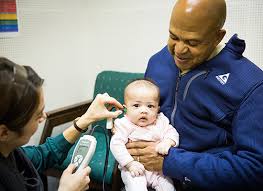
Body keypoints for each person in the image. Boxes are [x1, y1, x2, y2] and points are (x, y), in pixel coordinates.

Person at [126, 0, 263, 190]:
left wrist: (171, 163)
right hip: (151, 178)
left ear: (218, 36)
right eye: (174, 37)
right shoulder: (158, 62)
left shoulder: (251, 84)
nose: (179, 50)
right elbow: (145, 112)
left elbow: (254, 169)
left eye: (192, 42)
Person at [0, 57, 123, 191]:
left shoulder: (11, 153)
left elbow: (44, 154)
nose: (44, 117)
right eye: (37, 115)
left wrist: (85, 120)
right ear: (4, 133)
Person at [110, 79, 179, 191]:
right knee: (136, 187)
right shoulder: (124, 124)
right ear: (126, 108)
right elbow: (116, 144)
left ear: (158, 109)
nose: (144, 111)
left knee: (168, 187)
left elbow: (172, 133)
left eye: (150, 106)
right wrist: (129, 163)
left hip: (158, 170)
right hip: (134, 169)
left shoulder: (161, 121)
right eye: (136, 105)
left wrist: (168, 142)